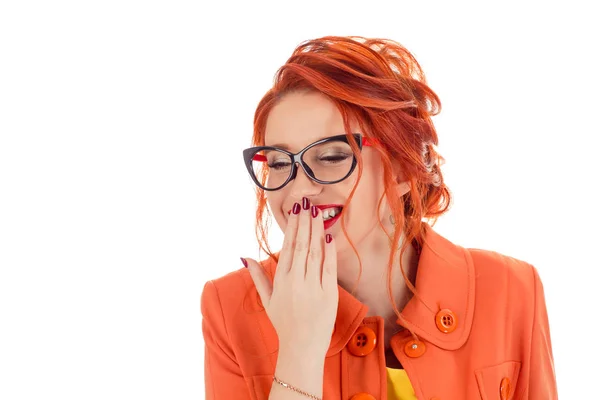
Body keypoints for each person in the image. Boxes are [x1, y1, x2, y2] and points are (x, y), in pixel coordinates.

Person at [200, 36, 558, 400]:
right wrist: (298, 353)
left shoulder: (512, 288)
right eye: (278, 162)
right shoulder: (230, 306)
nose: (299, 189)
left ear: (403, 168)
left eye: (332, 156)